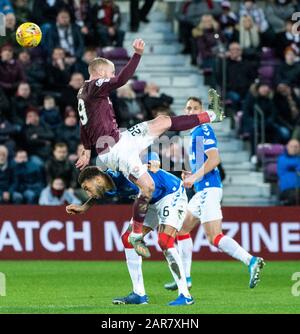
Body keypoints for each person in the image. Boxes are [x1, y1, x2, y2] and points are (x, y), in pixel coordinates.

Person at [76, 38, 224, 257]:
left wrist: (87, 148)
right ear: (100, 73)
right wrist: (137, 55)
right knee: (147, 187)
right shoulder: (96, 86)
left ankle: (213, 115)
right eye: (110, 72)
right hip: (116, 150)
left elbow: (84, 122)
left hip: (119, 141)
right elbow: (122, 80)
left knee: (162, 121)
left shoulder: (82, 92)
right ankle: (136, 234)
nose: (112, 75)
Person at [163, 96, 265, 291]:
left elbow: (214, 159)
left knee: (214, 237)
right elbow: (204, 163)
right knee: (182, 230)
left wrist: (194, 178)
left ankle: (251, 261)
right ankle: (186, 278)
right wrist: (192, 174)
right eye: (188, 108)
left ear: (202, 113)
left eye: (195, 108)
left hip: (208, 190)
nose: (190, 111)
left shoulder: (203, 129)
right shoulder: (194, 134)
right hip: (203, 190)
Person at [66, 153, 194, 306]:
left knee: (165, 241)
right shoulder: (106, 185)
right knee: (127, 238)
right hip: (149, 202)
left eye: (87, 188)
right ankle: (139, 294)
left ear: (98, 179)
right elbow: (98, 196)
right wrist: (84, 207)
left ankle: (185, 295)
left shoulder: (121, 170)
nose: (88, 193)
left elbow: (145, 153)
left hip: (170, 193)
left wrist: (153, 161)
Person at [277, 139, 300, 205]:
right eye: (291, 146)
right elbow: (288, 164)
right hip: (287, 190)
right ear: (287, 147)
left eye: (296, 147)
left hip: (298, 190)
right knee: (294, 196)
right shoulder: (282, 158)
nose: (294, 148)